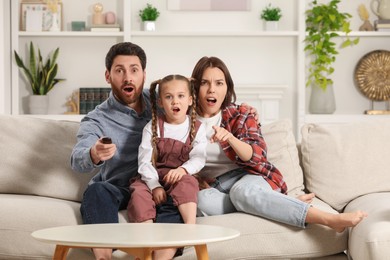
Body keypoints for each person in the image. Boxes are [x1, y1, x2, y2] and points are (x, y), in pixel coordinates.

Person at [191, 56, 368, 232]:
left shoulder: (241, 114)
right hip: (216, 186)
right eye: (205, 83)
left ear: (227, 87)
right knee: (202, 202)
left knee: (241, 192)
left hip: (250, 176)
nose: (211, 90)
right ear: (196, 86)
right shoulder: (182, 120)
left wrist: (230, 138)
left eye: (219, 83)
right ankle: (275, 204)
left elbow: (256, 157)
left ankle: (329, 219)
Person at [70, 42, 152, 260]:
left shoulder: (161, 101)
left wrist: (240, 112)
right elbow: (77, 159)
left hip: (154, 187)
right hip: (119, 189)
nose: (128, 77)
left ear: (144, 73)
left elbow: (199, 102)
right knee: (97, 191)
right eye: (119, 70)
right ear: (108, 76)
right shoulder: (97, 118)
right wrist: (94, 153)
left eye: (134, 70)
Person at [128, 74, 207, 259]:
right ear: (161, 102)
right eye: (169, 97)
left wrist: (182, 170)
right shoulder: (153, 127)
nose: (175, 101)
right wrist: (154, 186)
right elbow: (144, 161)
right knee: (138, 192)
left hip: (180, 176)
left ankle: (190, 228)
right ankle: (145, 237)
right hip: (154, 176)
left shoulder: (197, 127)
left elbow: (198, 158)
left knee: (188, 183)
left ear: (190, 100)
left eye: (180, 96)